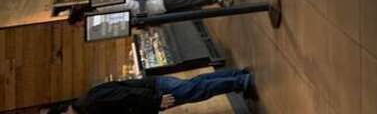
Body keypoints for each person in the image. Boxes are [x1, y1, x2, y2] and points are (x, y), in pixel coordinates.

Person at [47, 68, 254, 114]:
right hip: (152, 91)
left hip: (155, 92)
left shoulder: (90, 104)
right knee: (196, 85)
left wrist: (155, 101)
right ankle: (236, 75)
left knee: (197, 90)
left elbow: (125, 95)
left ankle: (241, 81)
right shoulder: (87, 103)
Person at [68, 0, 235, 23]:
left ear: (81, 16)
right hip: (153, 6)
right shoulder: (99, 10)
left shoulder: (102, 8)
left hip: (153, 4)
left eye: (79, 23)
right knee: (188, 5)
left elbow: (128, 4)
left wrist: (140, 16)